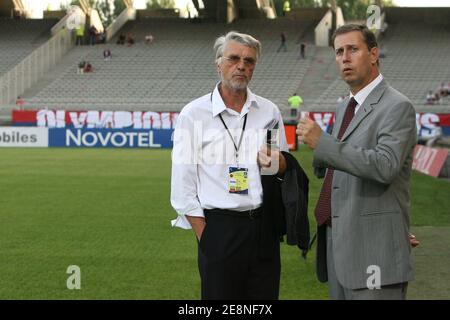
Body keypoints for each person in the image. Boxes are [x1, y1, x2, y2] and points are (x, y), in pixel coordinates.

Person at [171, 31, 310, 300]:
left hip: (263, 229)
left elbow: (278, 170)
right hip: (219, 229)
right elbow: (182, 188)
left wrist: (280, 164)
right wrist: (207, 238)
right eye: (233, 58)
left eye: (249, 61)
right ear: (218, 63)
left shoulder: (268, 112)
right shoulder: (193, 114)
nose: (241, 66)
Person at [297, 24, 417, 300]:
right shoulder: (345, 107)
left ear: (374, 54)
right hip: (340, 242)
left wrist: (323, 144)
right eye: (339, 52)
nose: (344, 58)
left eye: (353, 49)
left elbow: (385, 166)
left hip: (374, 248)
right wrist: (320, 156)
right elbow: (345, 159)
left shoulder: (397, 106)